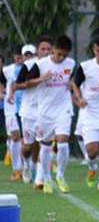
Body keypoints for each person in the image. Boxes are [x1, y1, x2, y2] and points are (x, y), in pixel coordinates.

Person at [25, 35, 75, 194]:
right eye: (59, 54)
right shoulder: (41, 65)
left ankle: (60, 175)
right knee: (45, 146)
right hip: (45, 112)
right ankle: (46, 177)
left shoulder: (71, 63)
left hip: (63, 109)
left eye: (64, 55)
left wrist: (72, 85)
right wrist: (42, 79)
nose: (61, 58)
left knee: (62, 142)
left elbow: (75, 79)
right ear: (53, 49)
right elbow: (27, 82)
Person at [71, 34, 99, 195]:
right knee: (92, 151)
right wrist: (79, 98)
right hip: (90, 113)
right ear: (94, 50)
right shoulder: (85, 67)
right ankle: (92, 167)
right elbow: (75, 84)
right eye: (98, 51)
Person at [14, 38, 52, 187]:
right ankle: (26, 164)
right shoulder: (29, 65)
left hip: (46, 111)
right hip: (29, 111)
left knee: (43, 144)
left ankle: (39, 177)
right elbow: (17, 85)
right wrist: (39, 80)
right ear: (38, 51)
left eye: (49, 49)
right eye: (43, 49)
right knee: (28, 146)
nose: (46, 52)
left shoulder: (56, 66)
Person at [0, 47, 25, 181]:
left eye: (22, 55)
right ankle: (17, 169)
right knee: (15, 137)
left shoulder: (32, 68)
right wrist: (3, 94)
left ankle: (28, 167)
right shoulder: (8, 69)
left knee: (27, 140)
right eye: (17, 55)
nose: (19, 57)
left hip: (28, 108)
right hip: (11, 109)